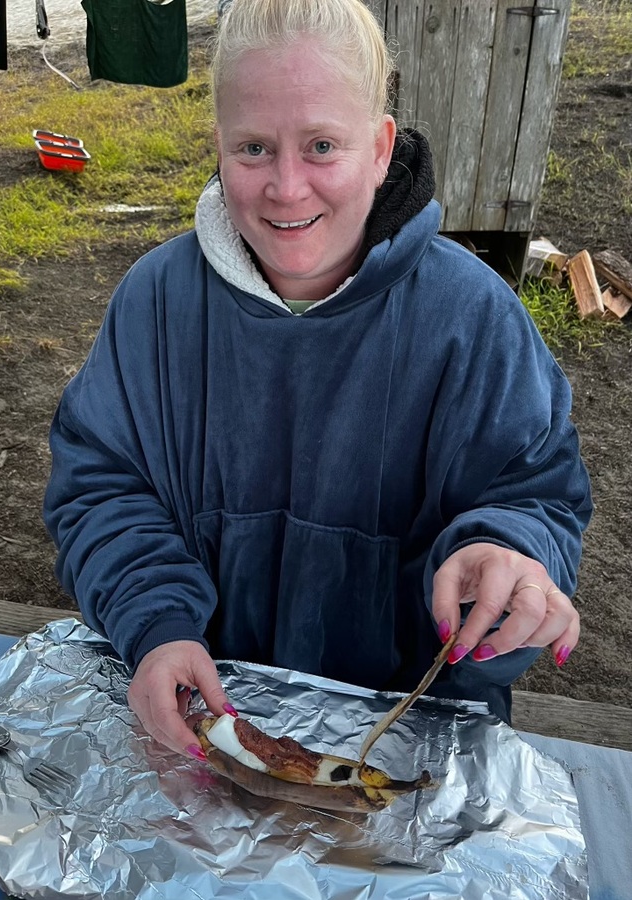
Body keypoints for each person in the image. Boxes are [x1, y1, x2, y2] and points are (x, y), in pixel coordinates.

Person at [43, 0, 592, 759]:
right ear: (219, 146)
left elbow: (534, 494)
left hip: (405, 746)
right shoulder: (155, 304)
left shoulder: (475, 317)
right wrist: (156, 625)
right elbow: (101, 483)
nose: (288, 187)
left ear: (380, 147)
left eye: (323, 145)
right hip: (201, 728)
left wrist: (508, 554)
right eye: (255, 148)